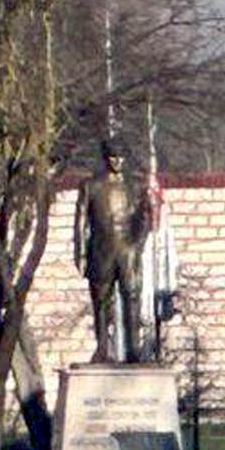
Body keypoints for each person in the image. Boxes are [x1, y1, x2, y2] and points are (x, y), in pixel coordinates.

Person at [75, 141, 151, 363]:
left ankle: (133, 349)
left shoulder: (135, 186)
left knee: (132, 298)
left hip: (128, 251)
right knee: (100, 301)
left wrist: (137, 244)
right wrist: (79, 253)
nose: (117, 162)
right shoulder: (91, 185)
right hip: (101, 250)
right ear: (105, 158)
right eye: (112, 157)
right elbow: (80, 222)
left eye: (120, 157)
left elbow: (144, 217)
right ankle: (102, 348)